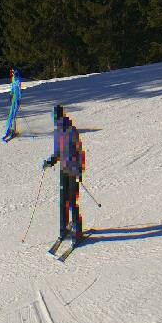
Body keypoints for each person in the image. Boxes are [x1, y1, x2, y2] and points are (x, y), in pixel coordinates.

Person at [43, 106, 90, 257]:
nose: (55, 119)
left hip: (73, 171)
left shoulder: (71, 130)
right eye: (54, 117)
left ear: (61, 115)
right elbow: (58, 152)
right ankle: (64, 230)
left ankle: (77, 232)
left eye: (57, 116)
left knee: (71, 201)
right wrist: (51, 161)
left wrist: (80, 171)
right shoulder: (57, 131)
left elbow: (80, 151)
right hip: (63, 170)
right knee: (63, 201)